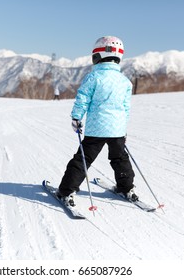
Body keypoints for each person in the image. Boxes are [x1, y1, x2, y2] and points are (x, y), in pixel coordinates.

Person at [57, 36, 137, 207]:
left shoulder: (93, 77)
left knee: (83, 159)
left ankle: (66, 191)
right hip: (117, 130)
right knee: (120, 159)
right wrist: (123, 129)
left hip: (96, 129)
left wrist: (76, 118)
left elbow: (83, 99)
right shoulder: (125, 81)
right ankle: (126, 187)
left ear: (98, 55)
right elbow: (125, 108)